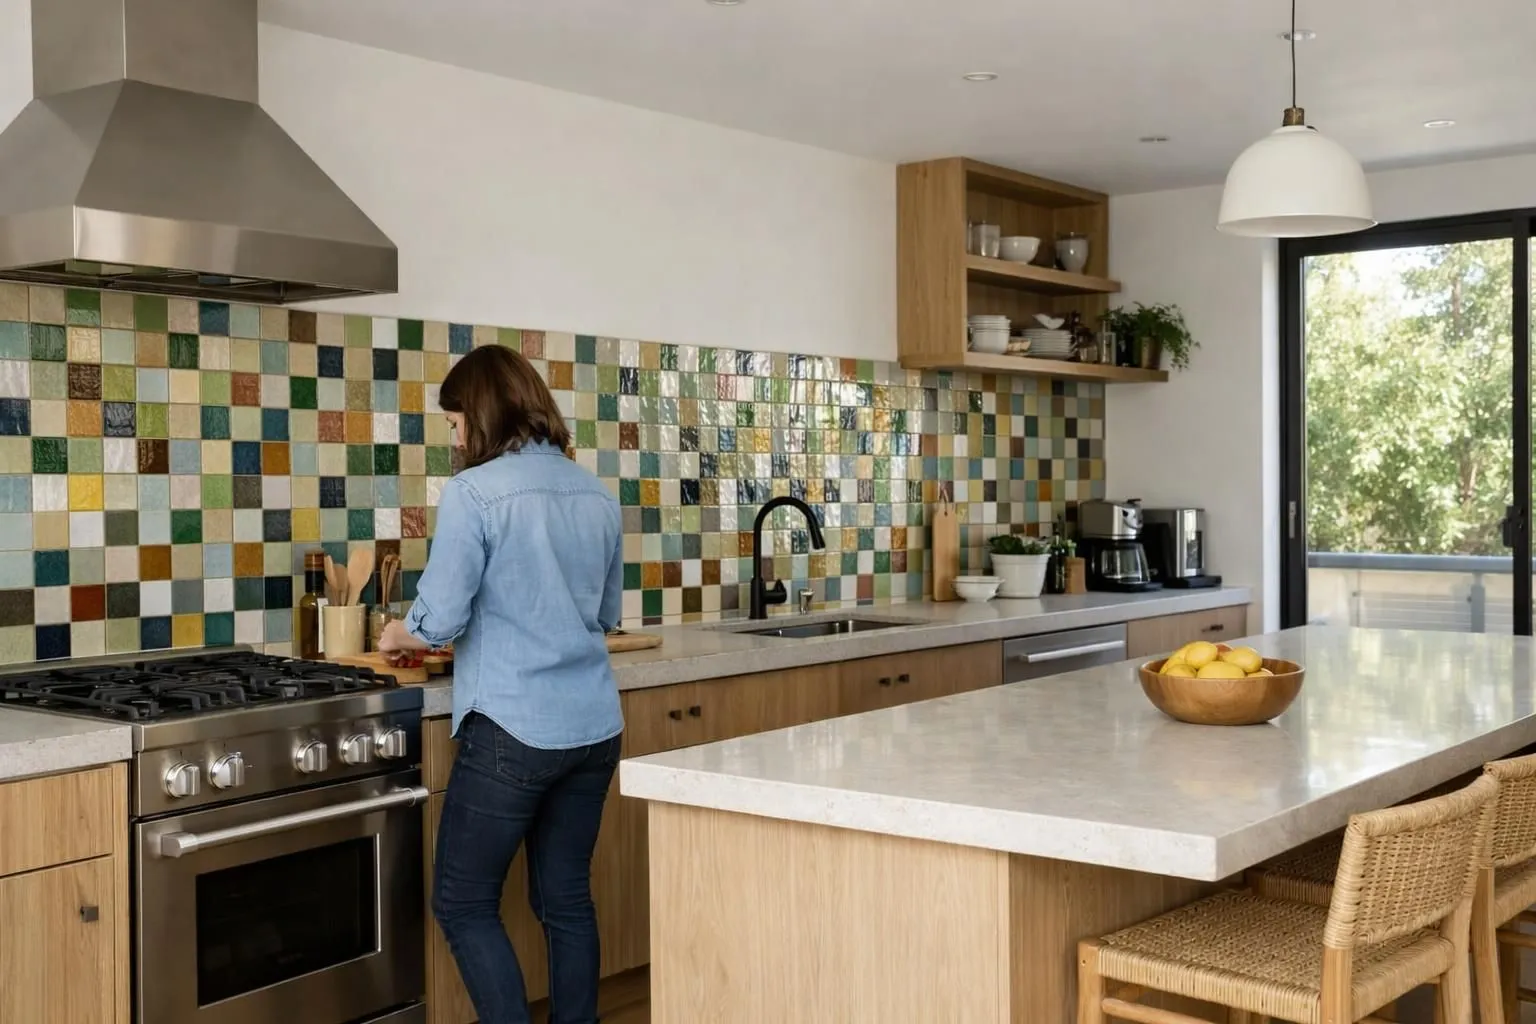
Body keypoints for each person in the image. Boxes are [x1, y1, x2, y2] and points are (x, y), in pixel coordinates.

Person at [379, 345, 623, 1024]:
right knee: (566, 898)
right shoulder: (594, 493)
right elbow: (606, 616)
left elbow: (440, 619)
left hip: (514, 731)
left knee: (462, 901)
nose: (455, 441)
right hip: (594, 729)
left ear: (482, 416)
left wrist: (400, 634)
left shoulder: (474, 493)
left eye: (456, 424)